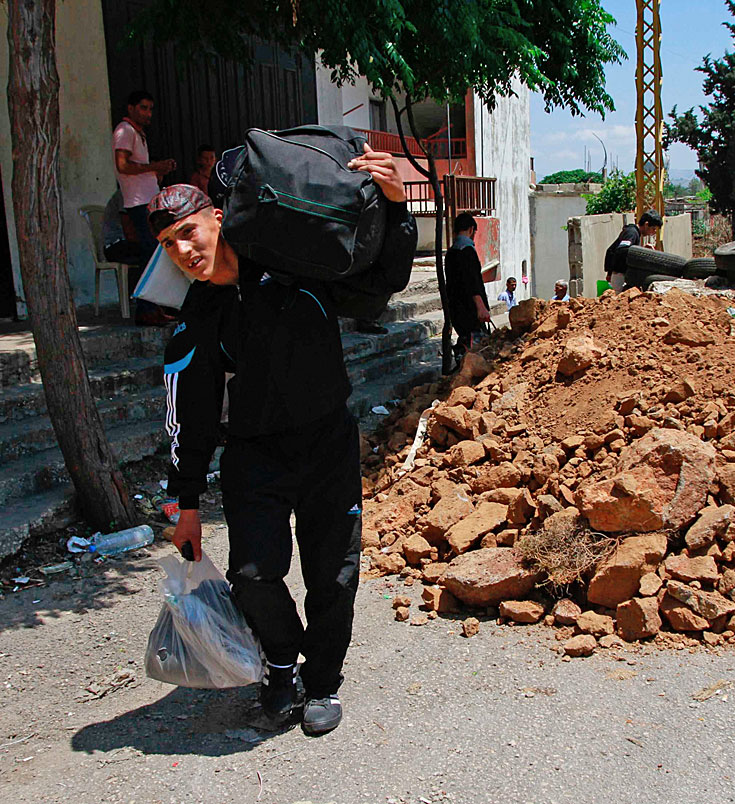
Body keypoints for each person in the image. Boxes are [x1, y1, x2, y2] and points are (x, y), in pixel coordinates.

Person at [154, 145, 415, 737]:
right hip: (253, 455)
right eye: (169, 244)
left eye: (188, 232)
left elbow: (382, 276)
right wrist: (185, 505)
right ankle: (280, 663)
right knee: (251, 573)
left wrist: (398, 210)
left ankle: (322, 681)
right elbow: (189, 416)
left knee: (334, 573)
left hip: (327, 444)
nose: (184, 251)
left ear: (218, 218)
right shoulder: (198, 314)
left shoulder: (292, 263)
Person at [112, 89, 175, 325]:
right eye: (143, 108)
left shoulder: (138, 133)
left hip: (148, 201)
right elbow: (123, 166)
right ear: (131, 108)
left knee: (156, 253)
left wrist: (157, 170)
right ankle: (144, 309)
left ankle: (153, 306)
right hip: (137, 203)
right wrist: (153, 166)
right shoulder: (124, 131)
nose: (148, 113)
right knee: (149, 254)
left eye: (150, 109)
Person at [445, 212, 490, 366]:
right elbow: (472, 283)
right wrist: (481, 307)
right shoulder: (467, 251)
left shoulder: (451, 253)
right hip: (470, 309)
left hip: (456, 308)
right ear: (471, 230)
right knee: (476, 345)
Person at [604, 210, 662, 291]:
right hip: (620, 276)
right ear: (646, 224)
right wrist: (641, 252)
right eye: (653, 229)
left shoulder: (634, 233)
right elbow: (621, 251)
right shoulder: (632, 233)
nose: (654, 232)